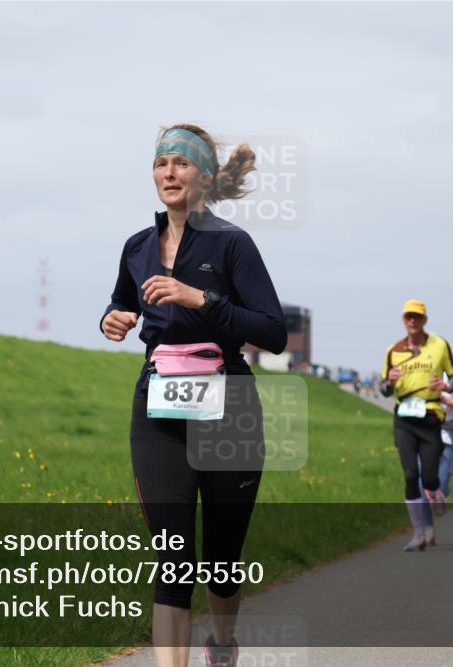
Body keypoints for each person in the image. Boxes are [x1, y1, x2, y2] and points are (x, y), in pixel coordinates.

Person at [100, 124, 287, 667]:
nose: (169, 173)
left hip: (228, 411)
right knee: (173, 560)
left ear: (204, 177)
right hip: (158, 411)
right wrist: (112, 320)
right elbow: (120, 304)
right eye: (162, 164)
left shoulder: (231, 243)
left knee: (222, 560)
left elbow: (272, 331)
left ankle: (223, 645)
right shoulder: (137, 247)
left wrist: (200, 298)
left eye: (181, 164)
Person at [380, 300, 453, 551]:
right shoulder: (393, 351)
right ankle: (418, 532)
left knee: (428, 477)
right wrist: (390, 383)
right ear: (403, 320)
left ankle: (435, 491)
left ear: (425, 320)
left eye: (417, 317)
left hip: (430, 416)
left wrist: (446, 386)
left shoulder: (439, 345)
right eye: (408, 317)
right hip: (404, 417)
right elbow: (383, 389)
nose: (412, 321)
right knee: (409, 475)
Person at [418, 384, 453, 545]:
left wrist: (445, 400)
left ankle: (441, 494)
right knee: (422, 484)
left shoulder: (450, 376)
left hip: (444, 434)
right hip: (421, 433)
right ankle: (427, 527)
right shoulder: (415, 369)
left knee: (443, 484)